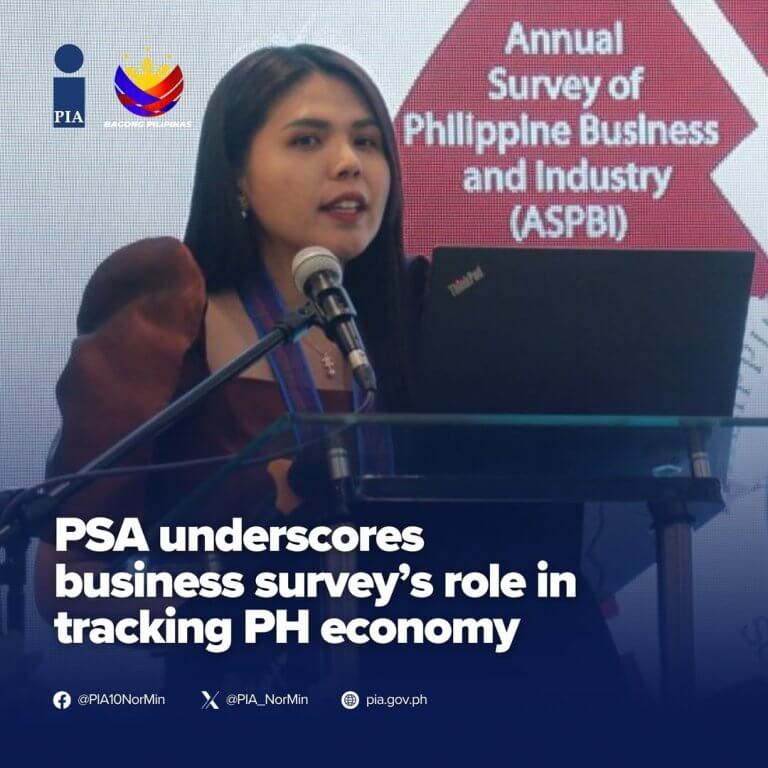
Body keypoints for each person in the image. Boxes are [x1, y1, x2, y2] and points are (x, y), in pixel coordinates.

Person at [34, 44, 628, 708]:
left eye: (368, 142)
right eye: (308, 139)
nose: (350, 162)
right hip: (250, 708)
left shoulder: (427, 316)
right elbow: (70, 580)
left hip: (433, 700)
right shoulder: (168, 302)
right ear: (236, 174)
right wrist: (235, 615)